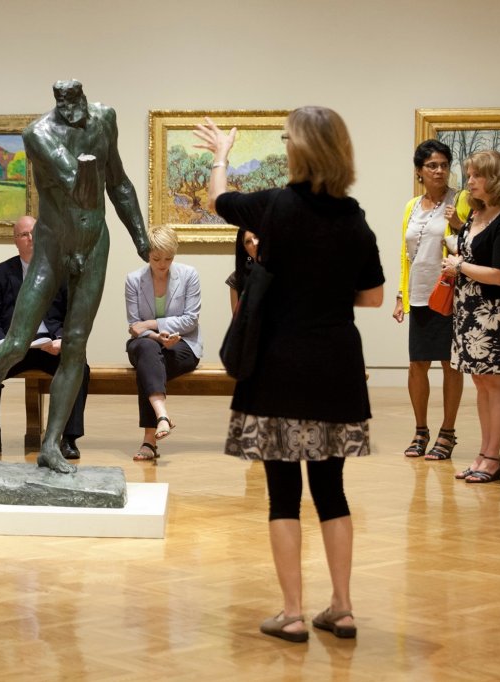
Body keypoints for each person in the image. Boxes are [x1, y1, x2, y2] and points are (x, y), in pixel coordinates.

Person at [196, 107, 384, 642]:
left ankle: (293, 612)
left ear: (299, 150)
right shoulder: (354, 218)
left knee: (282, 494)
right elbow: (371, 296)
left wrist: (222, 157)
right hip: (335, 364)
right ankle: (342, 608)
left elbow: (217, 200)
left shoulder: (273, 206)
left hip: (278, 363)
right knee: (332, 490)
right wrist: (324, 294)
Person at [0, 79, 150, 474]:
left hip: (94, 242)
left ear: (83, 97)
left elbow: (119, 183)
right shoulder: (38, 134)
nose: (72, 111)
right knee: (14, 343)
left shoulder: (105, 119)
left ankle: (51, 445)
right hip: (53, 246)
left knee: (75, 345)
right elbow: (75, 182)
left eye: (77, 102)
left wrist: (141, 238)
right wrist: (90, 168)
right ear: (57, 103)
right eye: (64, 104)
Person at [441, 149, 500, 484]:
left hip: (496, 312)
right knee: (479, 381)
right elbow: (470, 252)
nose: (469, 182)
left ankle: (492, 456)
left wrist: (458, 265)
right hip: (469, 308)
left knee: (495, 381)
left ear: (495, 178)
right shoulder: (476, 215)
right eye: (469, 175)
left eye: (476, 176)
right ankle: (484, 453)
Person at [0, 215, 89, 458]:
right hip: (12, 346)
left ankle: (68, 440)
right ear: (15, 240)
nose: (31, 239)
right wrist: (4, 345)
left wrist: (63, 340)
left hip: (50, 346)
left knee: (79, 367)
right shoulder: (1, 273)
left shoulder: (60, 270)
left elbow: (74, 314)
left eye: (35, 234)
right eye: (24, 234)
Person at [393, 139, 469, 461]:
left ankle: (448, 433)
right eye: (432, 166)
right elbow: (405, 254)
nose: (439, 171)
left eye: (443, 165)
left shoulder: (462, 200)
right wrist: (401, 295)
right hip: (420, 295)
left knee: (450, 365)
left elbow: (472, 243)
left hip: (450, 295)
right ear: (419, 171)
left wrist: (457, 225)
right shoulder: (412, 206)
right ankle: (420, 430)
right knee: (417, 364)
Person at [125, 225, 202, 462]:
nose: (162, 263)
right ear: (147, 254)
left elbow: (190, 320)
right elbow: (134, 327)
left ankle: (149, 441)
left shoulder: (189, 275)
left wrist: (152, 324)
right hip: (147, 344)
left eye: (169, 258)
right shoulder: (133, 280)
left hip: (184, 344)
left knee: (147, 367)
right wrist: (156, 336)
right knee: (148, 352)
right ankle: (162, 415)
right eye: (157, 258)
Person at [226, 229, 259, 315]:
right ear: (244, 249)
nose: (255, 243)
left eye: (257, 237)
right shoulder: (237, 278)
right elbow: (237, 320)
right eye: (248, 241)